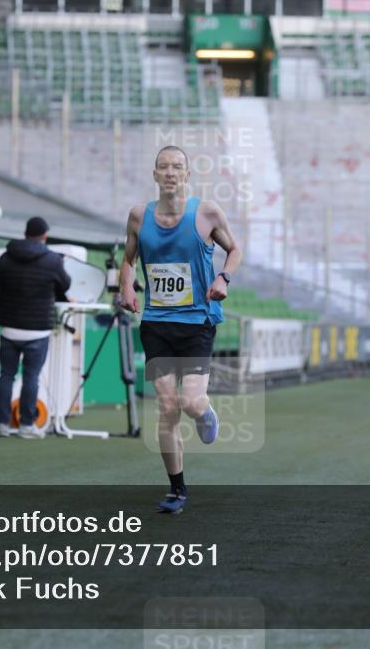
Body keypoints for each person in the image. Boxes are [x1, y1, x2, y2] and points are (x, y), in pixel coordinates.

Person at [119, 146, 242, 514]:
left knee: (189, 401)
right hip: (157, 324)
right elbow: (128, 259)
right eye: (163, 167)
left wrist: (224, 276)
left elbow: (234, 249)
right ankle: (177, 489)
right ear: (154, 174)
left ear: (187, 175)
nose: (170, 173)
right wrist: (125, 285)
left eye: (177, 167)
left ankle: (205, 413)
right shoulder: (139, 216)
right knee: (168, 407)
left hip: (196, 323)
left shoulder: (206, 213)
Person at [0, 216, 71, 439]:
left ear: (25, 233)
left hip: (9, 328)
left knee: (6, 375)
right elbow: (66, 284)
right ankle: (26, 425)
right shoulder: (53, 260)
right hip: (38, 329)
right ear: (44, 236)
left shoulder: (5, 258)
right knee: (31, 377)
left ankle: (2, 424)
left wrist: (0, 317)